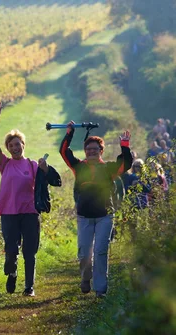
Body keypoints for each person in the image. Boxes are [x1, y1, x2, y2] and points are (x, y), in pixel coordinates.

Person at [0, 101, 56, 297]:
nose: (15, 147)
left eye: (18, 144)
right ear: (8, 148)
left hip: (29, 212)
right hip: (9, 213)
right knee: (11, 250)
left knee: (30, 251)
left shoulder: (33, 165)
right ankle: (12, 272)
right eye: (11, 145)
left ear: (23, 145)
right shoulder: (5, 164)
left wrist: (45, 168)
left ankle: (29, 287)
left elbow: (49, 181)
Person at [59, 120, 132, 298]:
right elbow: (63, 152)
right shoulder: (79, 166)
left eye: (95, 149)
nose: (92, 151)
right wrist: (69, 133)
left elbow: (126, 164)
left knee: (100, 250)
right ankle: (85, 278)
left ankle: (100, 289)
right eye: (89, 149)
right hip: (84, 216)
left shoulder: (108, 168)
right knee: (84, 252)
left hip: (105, 216)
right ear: (85, 151)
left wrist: (125, 145)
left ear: (101, 151)